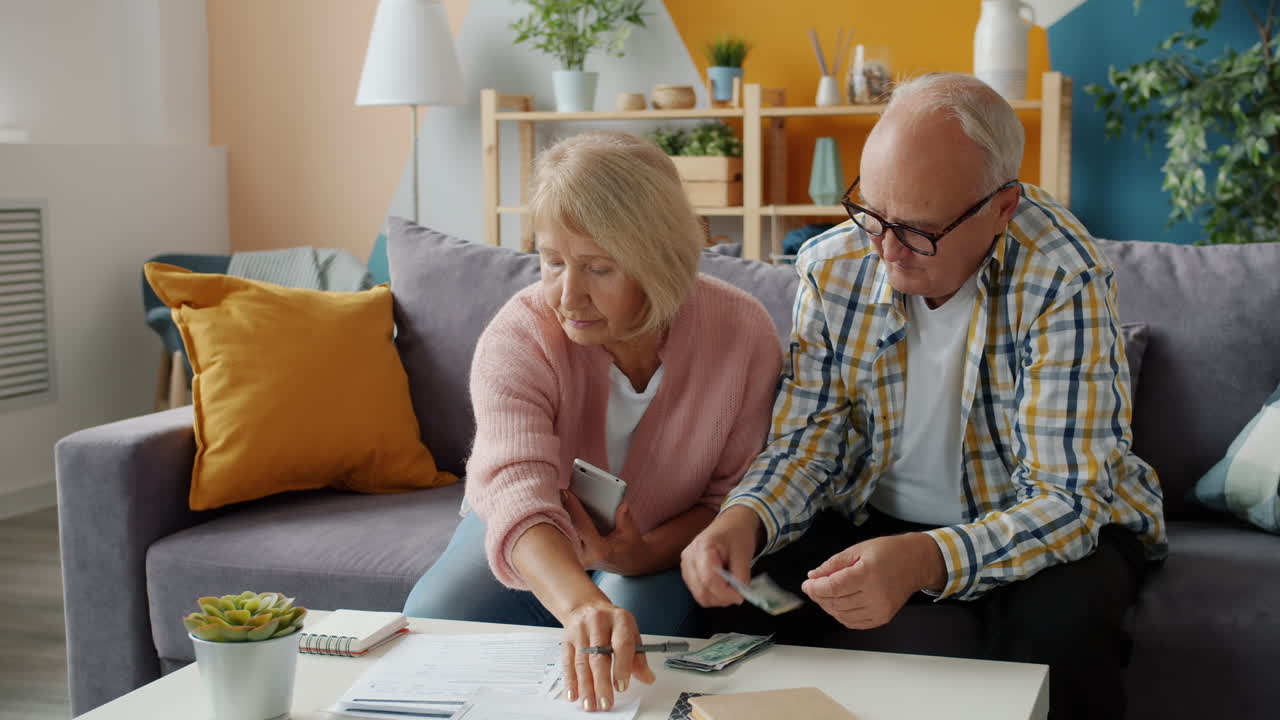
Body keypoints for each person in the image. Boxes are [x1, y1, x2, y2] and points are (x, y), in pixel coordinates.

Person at [681, 73, 1167, 720]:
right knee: (736, 593)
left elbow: (1067, 502)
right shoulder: (833, 265)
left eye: (915, 231)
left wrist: (927, 559)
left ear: (1002, 208)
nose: (884, 252)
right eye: (872, 215)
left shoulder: (1062, 275)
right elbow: (809, 441)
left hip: (1046, 520)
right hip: (872, 510)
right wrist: (743, 518)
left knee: (1063, 637)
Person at [403, 131, 782, 712]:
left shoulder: (743, 333)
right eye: (552, 262)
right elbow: (515, 491)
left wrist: (640, 556)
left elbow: (726, 500)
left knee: (631, 643)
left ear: (660, 260)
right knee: (432, 623)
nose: (567, 294)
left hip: (664, 540)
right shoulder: (519, 334)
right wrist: (581, 604)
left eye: (597, 268)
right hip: (531, 527)